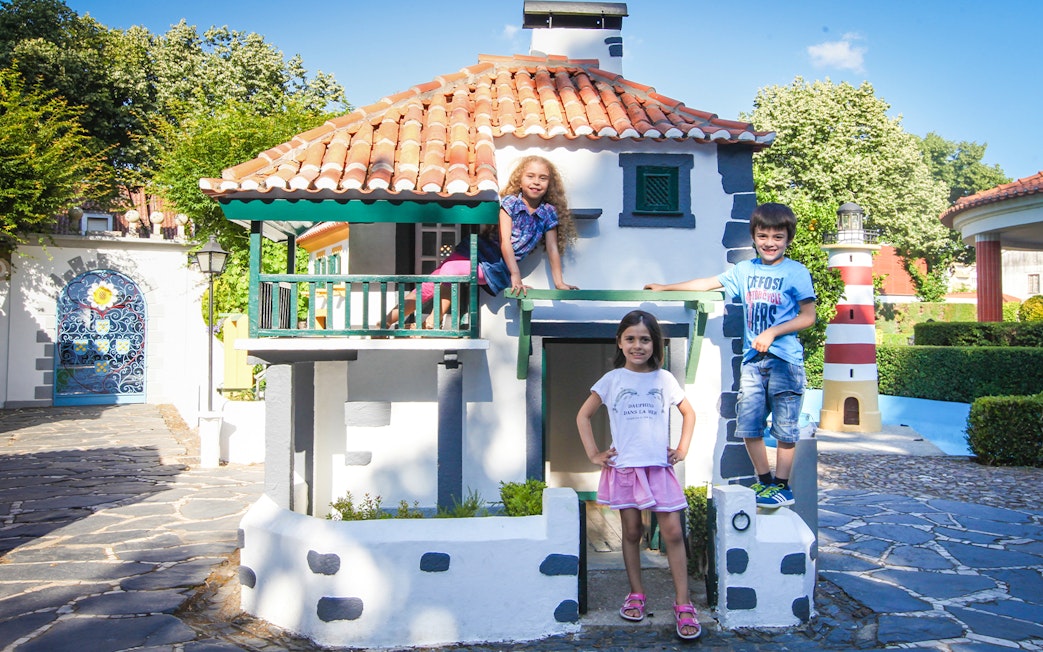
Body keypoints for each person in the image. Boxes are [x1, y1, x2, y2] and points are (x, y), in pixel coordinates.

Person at [645, 202, 816, 509]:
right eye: (763, 235)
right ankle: (765, 484)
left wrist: (773, 332)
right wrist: (666, 288)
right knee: (748, 426)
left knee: (785, 429)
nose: (770, 242)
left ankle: (783, 486)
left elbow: (808, 316)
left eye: (778, 237)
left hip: (785, 362)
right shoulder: (744, 271)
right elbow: (707, 283)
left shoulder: (796, 272)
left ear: (788, 239)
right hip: (754, 363)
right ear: (754, 236)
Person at [576, 310, 701, 640]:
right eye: (630, 339)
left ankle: (684, 603)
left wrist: (682, 448)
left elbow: (688, 413)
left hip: (658, 467)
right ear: (620, 342)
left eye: (645, 339)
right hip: (626, 469)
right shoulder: (612, 379)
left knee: (673, 531)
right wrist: (594, 453)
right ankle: (636, 594)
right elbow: (583, 416)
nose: (637, 345)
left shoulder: (664, 379)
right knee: (631, 532)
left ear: (654, 343)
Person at [385, 155, 577, 328]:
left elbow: (552, 249)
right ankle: (387, 322)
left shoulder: (548, 212)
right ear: (520, 179)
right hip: (482, 249)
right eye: (530, 176)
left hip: (497, 264)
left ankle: (430, 322)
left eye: (542, 178)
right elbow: (505, 241)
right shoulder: (511, 203)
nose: (536, 182)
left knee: (448, 272)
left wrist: (559, 282)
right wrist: (516, 276)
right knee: (434, 280)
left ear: (549, 183)